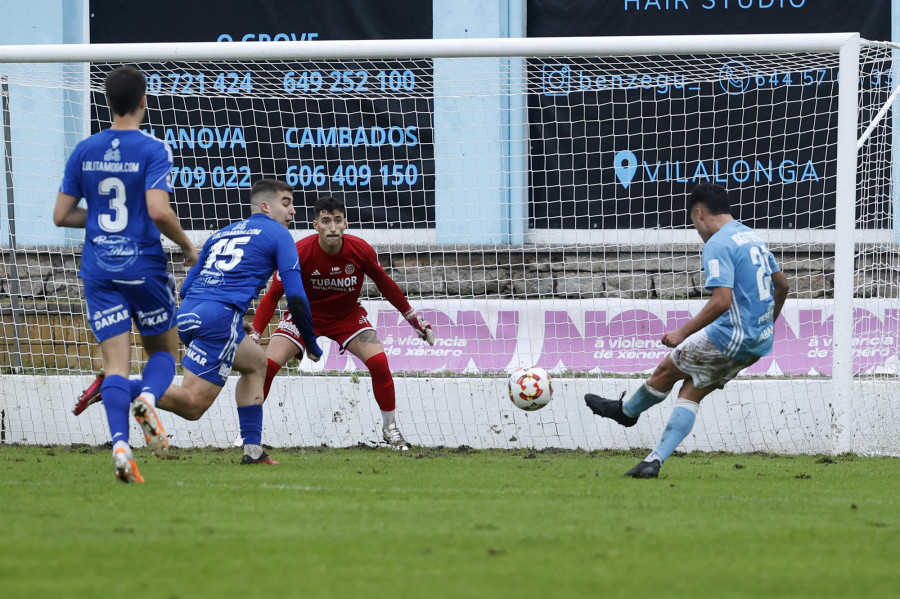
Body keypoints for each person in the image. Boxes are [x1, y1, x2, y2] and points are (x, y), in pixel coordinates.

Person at [584, 183, 789, 478]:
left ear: (699, 212)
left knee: (666, 371)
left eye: (694, 224)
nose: (697, 230)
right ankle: (653, 461)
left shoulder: (718, 243)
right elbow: (782, 285)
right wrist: (769, 323)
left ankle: (626, 411)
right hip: (757, 343)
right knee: (691, 390)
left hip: (730, 336)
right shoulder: (751, 236)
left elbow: (721, 301)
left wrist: (681, 333)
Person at [54, 65, 198, 483]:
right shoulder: (153, 148)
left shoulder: (84, 149)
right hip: (143, 267)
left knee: (115, 365)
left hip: (100, 268)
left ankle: (120, 446)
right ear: (143, 101)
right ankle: (149, 399)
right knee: (164, 356)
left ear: (106, 101)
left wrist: (99, 218)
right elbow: (156, 210)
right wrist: (188, 247)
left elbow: (62, 215)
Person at [250, 195, 435, 451]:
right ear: (316, 225)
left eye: (337, 220)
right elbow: (272, 296)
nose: (333, 226)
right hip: (305, 317)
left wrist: (412, 317)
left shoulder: (360, 250)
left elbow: (385, 284)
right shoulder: (298, 252)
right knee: (266, 366)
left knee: (380, 363)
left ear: (345, 223)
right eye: (326, 221)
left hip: (347, 316)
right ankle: (248, 435)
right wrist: (255, 335)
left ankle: (390, 429)